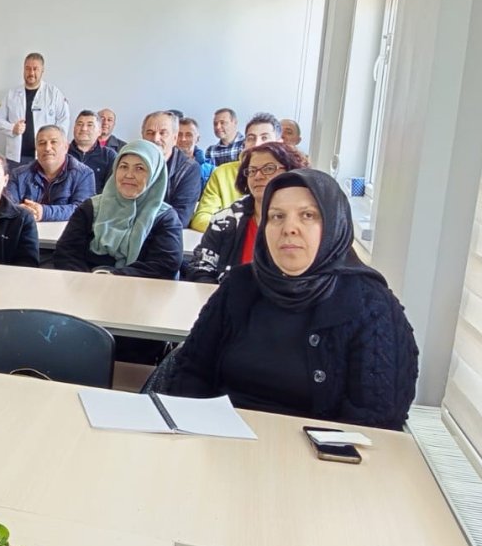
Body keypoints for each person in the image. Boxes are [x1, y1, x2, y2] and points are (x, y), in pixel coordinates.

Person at [168, 169, 418, 430]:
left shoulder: (371, 305)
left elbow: (377, 421)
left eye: (308, 215)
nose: (289, 229)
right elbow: (190, 373)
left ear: (334, 223)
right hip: (219, 443)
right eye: (277, 216)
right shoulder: (239, 286)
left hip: (320, 462)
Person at [50, 140, 182, 279]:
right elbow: (66, 253)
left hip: (141, 292)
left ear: (154, 175)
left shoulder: (165, 218)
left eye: (139, 168)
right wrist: (88, 282)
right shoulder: (91, 208)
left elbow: (164, 266)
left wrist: (110, 277)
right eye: (123, 167)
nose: (129, 175)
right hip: (86, 288)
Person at [187, 142, 308, 284]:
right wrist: (220, 297)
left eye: (268, 169)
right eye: (252, 170)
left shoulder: (307, 221)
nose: (258, 176)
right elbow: (200, 265)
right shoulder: (227, 219)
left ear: (291, 172)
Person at [190, 112, 282, 232]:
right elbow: (201, 218)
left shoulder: (286, 174)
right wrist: (237, 231)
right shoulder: (222, 173)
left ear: (279, 143)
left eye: (264, 138)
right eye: (251, 138)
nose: (257, 144)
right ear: (244, 143)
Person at [0, 52, 71, 165]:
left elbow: (64, 120)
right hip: (16, 158)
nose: (31, 73)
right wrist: (12, 128)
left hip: (45, 156)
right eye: (28, 69)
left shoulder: (53, 93)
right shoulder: (12, 94)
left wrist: (55, 144)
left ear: (42, 71)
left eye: (35, 69)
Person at [5, 125, 95, 222]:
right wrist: (21, 211)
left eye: (54, 142)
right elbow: (7, 207)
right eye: (42, 143)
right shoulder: (18, 174)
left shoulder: (84, 174)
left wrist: (44, 212)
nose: (47, 148)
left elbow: (82, 210)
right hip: (27, 232)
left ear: (66, 147)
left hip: (66, 234)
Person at [139, 111, 201, 226]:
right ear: (142, 136)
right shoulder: (129, 162)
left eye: (163, 133)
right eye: (150, 133)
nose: (156, 138)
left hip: (162, 236)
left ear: (174, 138)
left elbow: (180, 219)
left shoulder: (189, 169)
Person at [68, 110, 117, 193]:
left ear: (99, 131)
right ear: (74, 128)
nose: (84, 128)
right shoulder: (62, 153)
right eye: (80, 124)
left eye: (90, 125)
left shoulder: (109, 156)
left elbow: (111, 190)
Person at [177, 117, 215, 189]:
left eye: (188, 135)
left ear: (197, 139)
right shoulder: (164, 166)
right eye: (179, 134)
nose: (183, 139)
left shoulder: (210, 171)